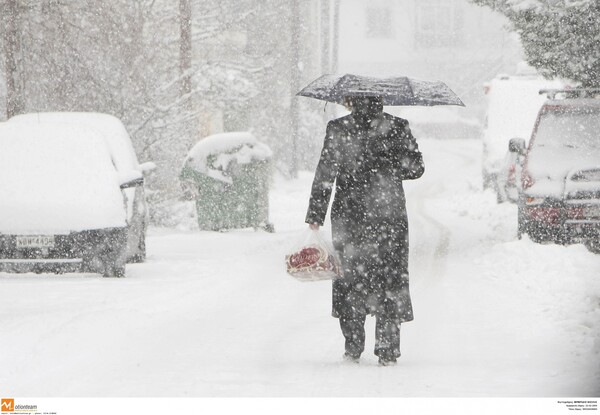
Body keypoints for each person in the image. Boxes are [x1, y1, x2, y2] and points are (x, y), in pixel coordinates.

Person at [305, 95, 425, 366]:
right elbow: (417, 168)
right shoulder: (398, 126)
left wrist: (315, 214)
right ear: (381, 100)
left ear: (349, 101)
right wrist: (391, 162)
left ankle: (353, 345)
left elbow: (325, 173)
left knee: (350, 279)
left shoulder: (338, 128)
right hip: (389, 216)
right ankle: (387, 348)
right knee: (390, 279)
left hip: (350, 216)